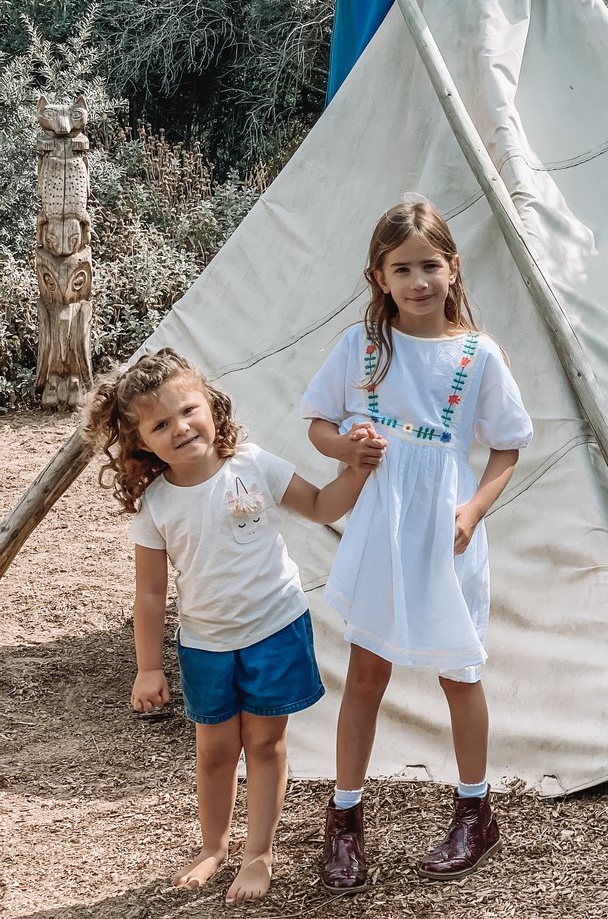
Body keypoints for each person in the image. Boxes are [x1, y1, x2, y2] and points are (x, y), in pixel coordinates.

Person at [85, 348, 385, 905]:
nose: (180, 428)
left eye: (188, 410)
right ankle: (213, 846)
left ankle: (258, 855)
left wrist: (355, 468)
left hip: (275, 628)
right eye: (160, 424)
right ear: (140, 443)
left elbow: (320, 507)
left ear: (212, 407)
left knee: (265, 744)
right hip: (207, 644)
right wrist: (147, 668)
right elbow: (149, 595)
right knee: (216, 752)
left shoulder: (254, 464)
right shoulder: (156, 505)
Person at [301, 199, 533, 894]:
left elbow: (508, 446)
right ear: (380, 276)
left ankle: (475, 808)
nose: (418, 279)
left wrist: (472, 511)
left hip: (446, 530)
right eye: (402, 268)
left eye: (430, 264)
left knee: (460, 671)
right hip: (380, 526)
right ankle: (344, 819)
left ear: (453, 267)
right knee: (365, 670)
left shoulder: (477, 353)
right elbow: (317, 422)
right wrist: (346, 446)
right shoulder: (362, 348)